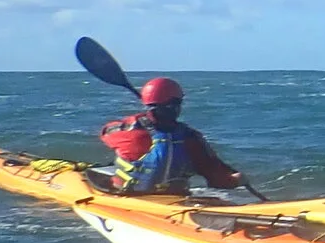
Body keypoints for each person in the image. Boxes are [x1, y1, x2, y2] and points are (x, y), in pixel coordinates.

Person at [98, 77, 244, 196]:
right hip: (174, 198)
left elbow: (105, 132)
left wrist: (138, 119)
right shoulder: (191, 138)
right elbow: (217, 179)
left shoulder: (129, 130)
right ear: (175, 106)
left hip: (128, 195)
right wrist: (236, 179)